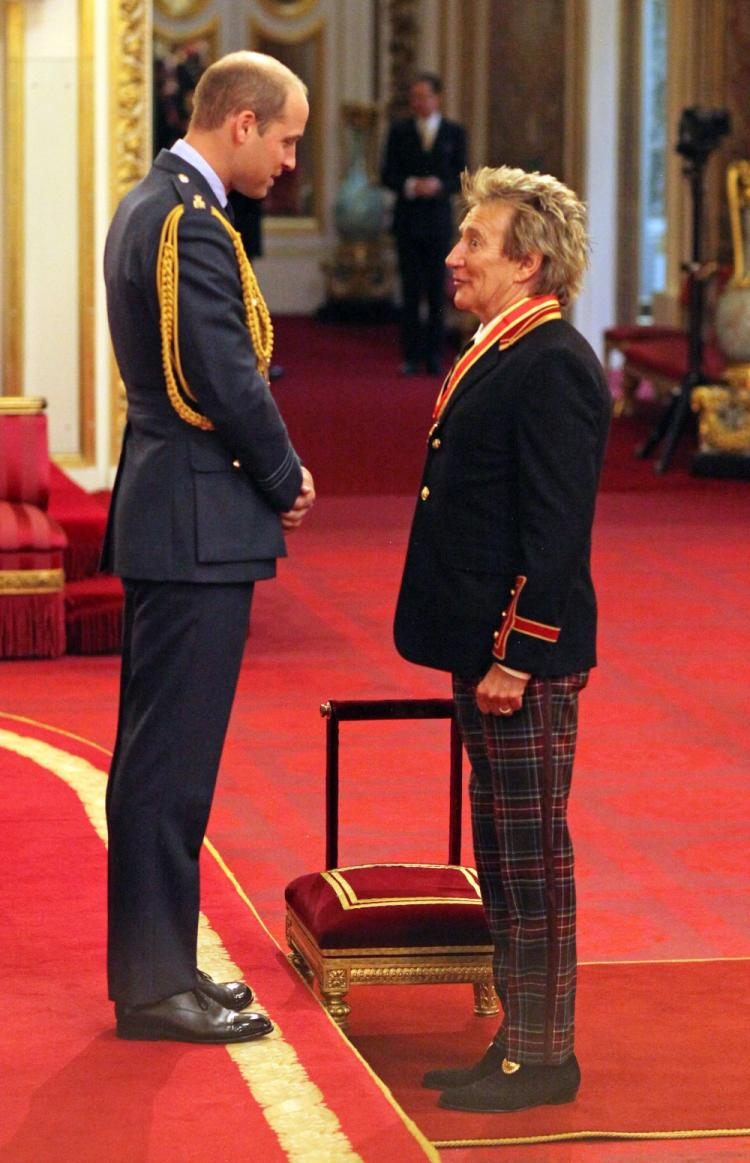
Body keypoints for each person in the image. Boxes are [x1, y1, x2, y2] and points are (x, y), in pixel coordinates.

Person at [102, 51, 315, 1044]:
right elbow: (225, 377)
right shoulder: (187, 221)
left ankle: (165, 967)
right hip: (194, 518)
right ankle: (154, 987)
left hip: (175, 511)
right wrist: (285, 476)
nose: (289, 158)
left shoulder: (156, 202)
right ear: (239, 122)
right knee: (170, 767)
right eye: (285, 138)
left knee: (162, 759)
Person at [394, 165, 611, 1112]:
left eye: (473, 242)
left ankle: (544, 1054)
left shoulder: (554, 359)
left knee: (531, 857)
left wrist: (517, 653)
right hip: (485, 653)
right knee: (501, 853)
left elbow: (558, 529)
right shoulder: (503, 343)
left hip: (519, 661)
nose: (453, 256)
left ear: (526, 260)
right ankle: (518, 1041)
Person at [381, 73, 467, 375]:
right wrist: (410, 185)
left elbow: (462, 175)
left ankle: (434, 354)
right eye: (414, 97)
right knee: (410, 290)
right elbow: (387, 174)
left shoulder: (454, 132)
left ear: (437, 97)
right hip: (407, 221)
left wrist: (439, 185)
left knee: (435, 290)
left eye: (424, 96)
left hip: (438, 222)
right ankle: (410, 355)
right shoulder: (399, 131)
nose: (418, 102)